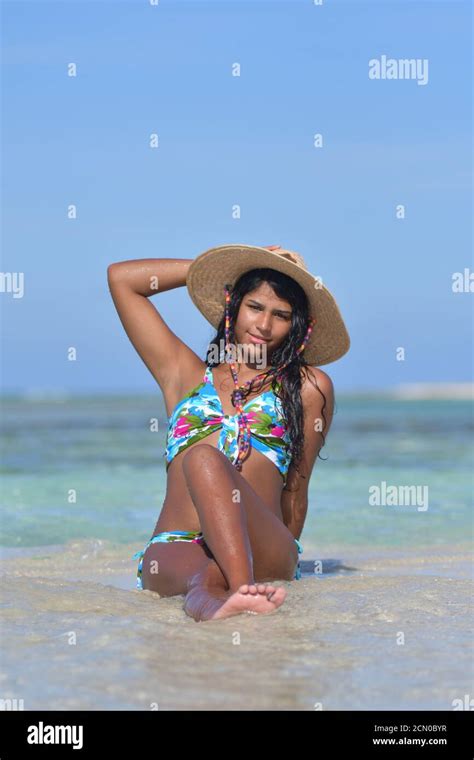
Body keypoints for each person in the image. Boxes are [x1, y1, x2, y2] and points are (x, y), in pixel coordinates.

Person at [107, 244, 350, 622]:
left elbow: (296, 492)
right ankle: (221, 600)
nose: (264, 326)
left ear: (296, 326)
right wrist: (215, 269)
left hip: (263, 543)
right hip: (179, 543)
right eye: (254, 306)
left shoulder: (307, 387)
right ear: (233, 304)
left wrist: (285, 560)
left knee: (205, 459)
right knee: (203, 578)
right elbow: (122, 280)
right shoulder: (184, 376)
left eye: (281, 315)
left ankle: (241, 590)